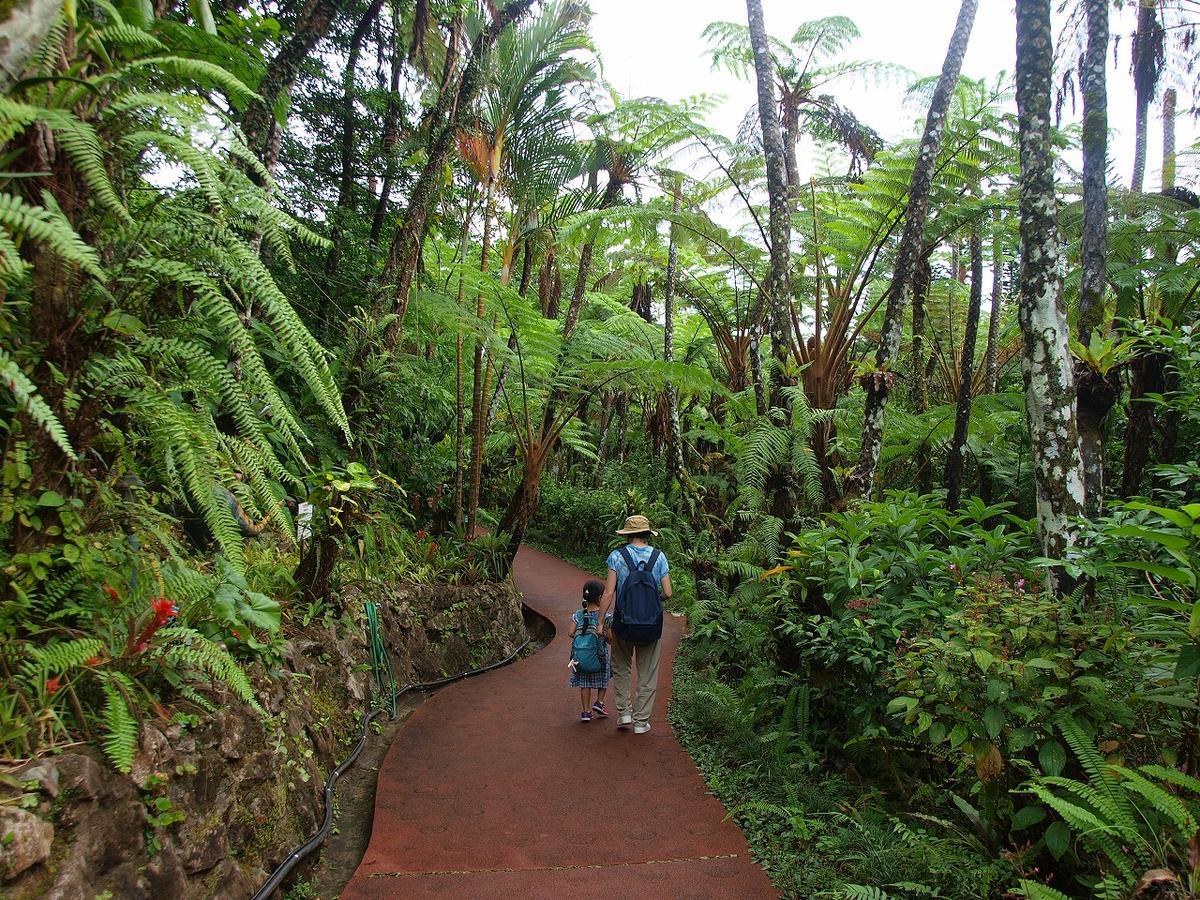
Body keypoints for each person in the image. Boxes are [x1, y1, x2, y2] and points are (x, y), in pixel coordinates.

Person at [599, 515, 672, 734]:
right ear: (647, 534)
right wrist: (651, 601)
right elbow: (668, 592)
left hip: (623, 623)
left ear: (628, 534)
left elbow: (608, 592)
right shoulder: (659, 557)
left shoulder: (617, 556)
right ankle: (641, 722)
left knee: (621, 666)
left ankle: (624, 713)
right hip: (650, 624)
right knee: (647, 672)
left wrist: (600, 622)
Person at [568, 579, 611, 722]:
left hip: (581, 657)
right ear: (600, 598)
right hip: (600, 655)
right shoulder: (605, 616)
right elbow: (610, 638)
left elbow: (570, 633)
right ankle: (599, 702)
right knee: (603, 678)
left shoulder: (578, 614)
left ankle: (586, 712)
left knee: (585, 684)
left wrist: (583, 637)